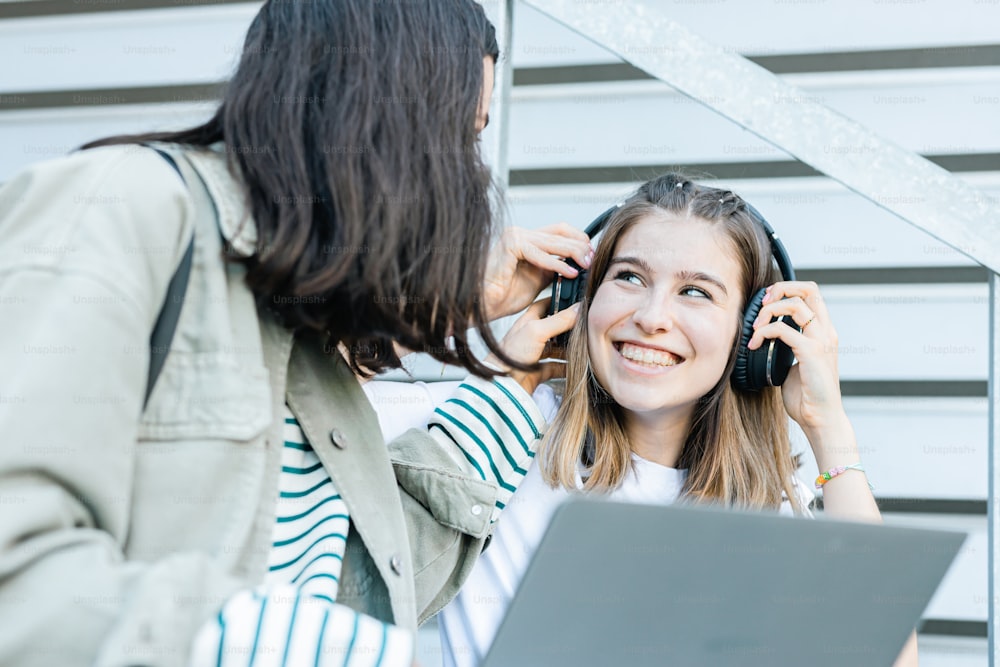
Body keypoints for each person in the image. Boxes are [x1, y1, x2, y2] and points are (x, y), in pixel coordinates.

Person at [0, 2, 591, 666]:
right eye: (457, 134)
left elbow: (359, 589)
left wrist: (495, 356)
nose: (469, 176)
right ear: (370, 110)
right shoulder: (123, 209)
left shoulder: (308, 323)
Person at [434, 173, 918, 667]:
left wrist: (827, 425)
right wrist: (458, 300)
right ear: (579, 296)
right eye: (629, 277)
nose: (652, 316)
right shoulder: (495, 421)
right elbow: (349, 397)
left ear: (755, 337)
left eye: (696, 292)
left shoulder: (771, 504)